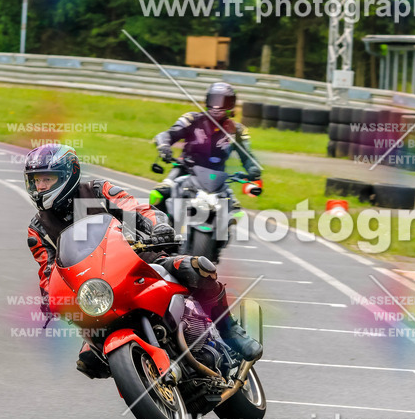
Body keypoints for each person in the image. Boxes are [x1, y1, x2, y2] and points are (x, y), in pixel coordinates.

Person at [23, 143, 262, 379]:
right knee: (90, 362)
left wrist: (158, 227)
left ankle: (230, 332)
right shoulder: (37, 229)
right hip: (94, 293)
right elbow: (47, 270)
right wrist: (49, 299)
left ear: (68, 175)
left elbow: (138, 209)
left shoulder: (97, 190)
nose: (41, 186)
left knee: (197, 268)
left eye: (48, 179)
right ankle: (142, 376)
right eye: (37, 181)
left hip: (141, 261)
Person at [152, 81, 261, 215]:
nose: (217, 106)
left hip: (217, 178)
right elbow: (167, 135)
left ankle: (224, 233)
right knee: (159, 194)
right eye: (214, 100)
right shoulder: (191, 119)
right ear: (207, 101)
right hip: (185, 169)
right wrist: (164, 147)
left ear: (231, 105)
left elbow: (247, 155)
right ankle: (154, 230)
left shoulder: (238, 130)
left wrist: (253, 169)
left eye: (223, 102)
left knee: (235, 210)